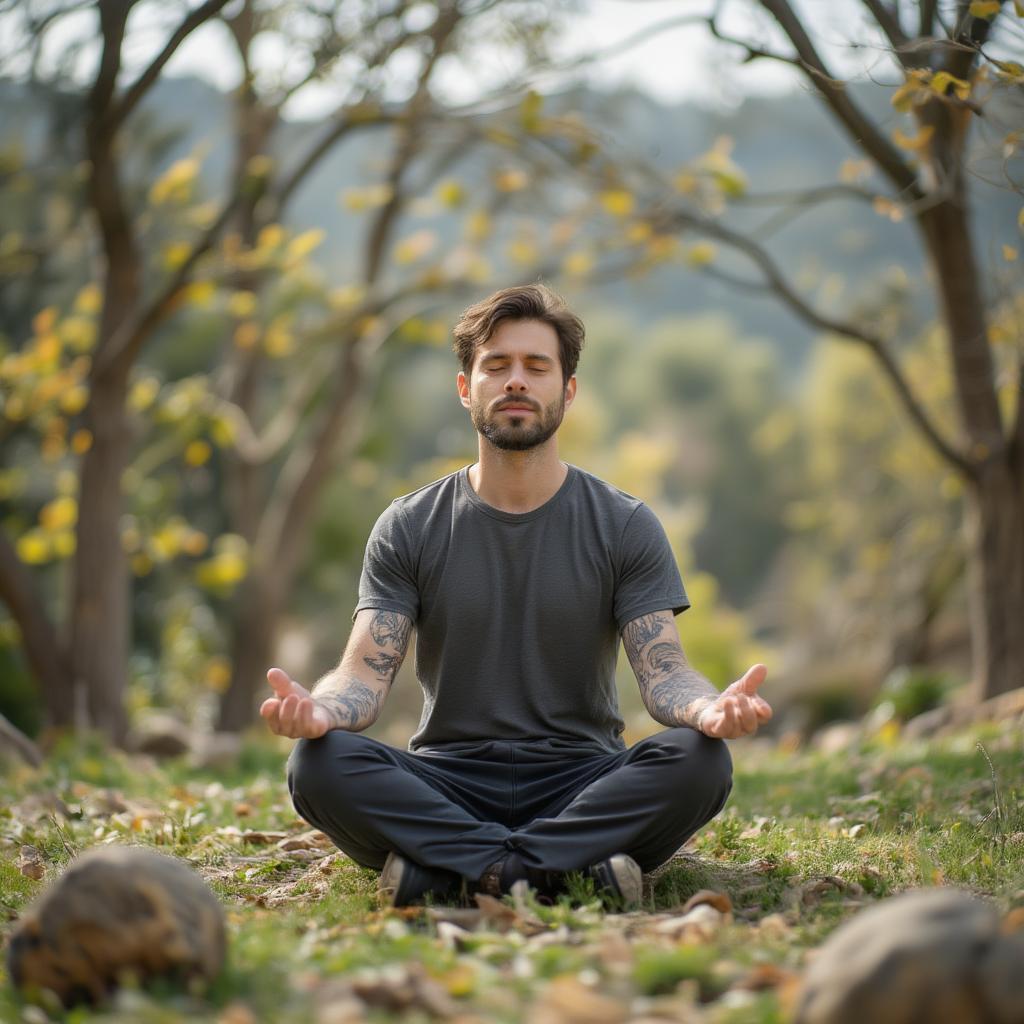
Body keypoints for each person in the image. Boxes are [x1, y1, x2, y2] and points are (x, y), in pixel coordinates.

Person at [261, 284, 772, 908]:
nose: (516, 382)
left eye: (536, 366)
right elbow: (364, 676)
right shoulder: (409, 525)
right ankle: (561, 872)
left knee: (701, 760)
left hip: (582, 779)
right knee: (317, 765)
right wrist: (319, 712)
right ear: (464, 387)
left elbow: (663, 672)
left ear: (568, 390)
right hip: (449, 779)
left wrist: (707, 710)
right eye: (496, 366)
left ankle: (453, 871)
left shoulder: (624, 524)